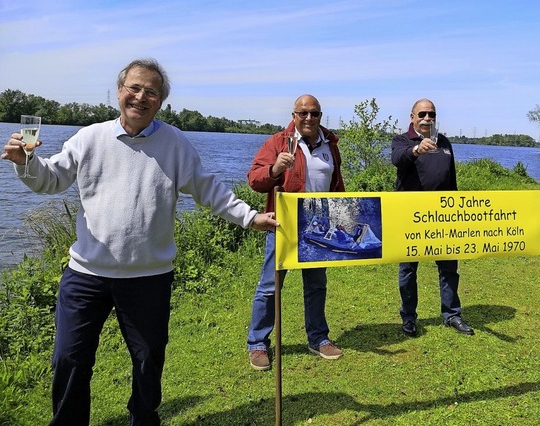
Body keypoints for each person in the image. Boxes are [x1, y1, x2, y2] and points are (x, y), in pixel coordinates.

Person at [1, 58, 278, 426]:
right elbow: (49, 179)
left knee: (148, 360)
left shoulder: (175, 143)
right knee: (69, 358)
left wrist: (250, 217)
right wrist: (26, 163)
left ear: (160, 101)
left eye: (151, 91)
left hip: (149, 278)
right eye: (134, 87)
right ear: (119, 92)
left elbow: (207, 189)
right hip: (86, 274)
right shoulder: (89, 137)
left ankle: (144, 420)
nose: (140, 96)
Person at [246, 94, 345, 371]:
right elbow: (254, 180)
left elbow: (336, 185)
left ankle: (318, 338)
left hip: (320, 228)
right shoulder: (278, 142)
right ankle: (257, 344)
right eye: (303, 113)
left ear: (320, 116)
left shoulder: (330, 144)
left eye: (314, 113)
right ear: (293, 116)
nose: (309, 118)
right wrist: (276, 168)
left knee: (316, 285)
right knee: (270, 286)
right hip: (283, 226)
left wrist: (342, 216)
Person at [391, 98, 474, 337]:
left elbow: (451, 178)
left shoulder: (445, 142)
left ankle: (452, 314)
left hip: (442, 216)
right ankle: (408, 317)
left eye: (432, 114)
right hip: (410, 216)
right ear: (412, 116)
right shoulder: (402, 140)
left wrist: (456, 209)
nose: (427, 118)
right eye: (423, 114)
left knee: (449, 267)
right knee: (408, 269)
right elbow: (397, 159)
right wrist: (417, 150)